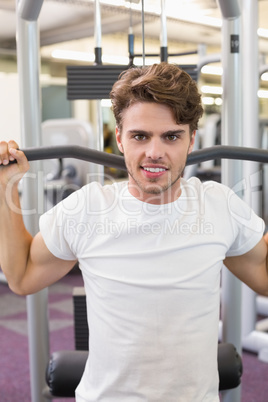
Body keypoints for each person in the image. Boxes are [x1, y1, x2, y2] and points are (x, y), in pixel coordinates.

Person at [0, 62, 268, 402]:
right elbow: (22, 276)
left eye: (171, 136)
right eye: (140, 136)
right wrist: (4, 186)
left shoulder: (219, 205)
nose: (154, 152)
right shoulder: (87, 207)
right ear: (120, 139)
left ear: (191, 140)